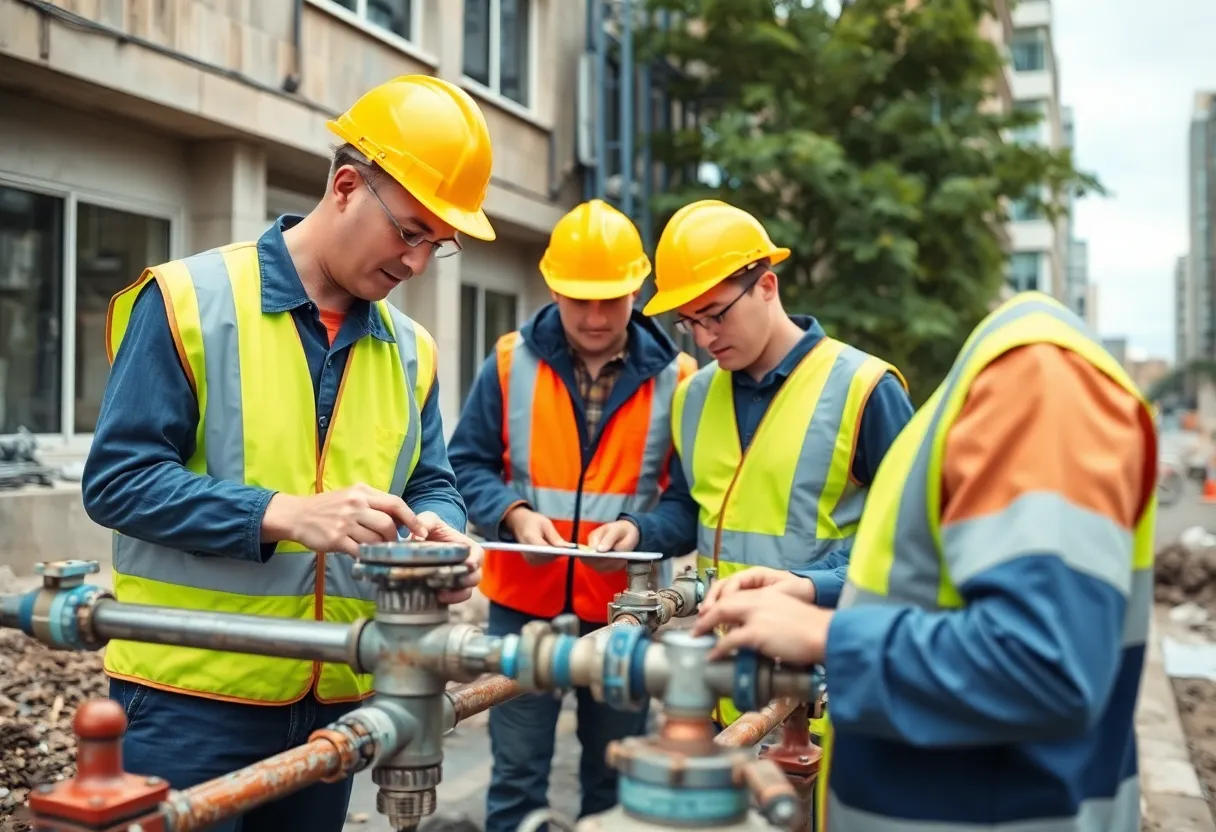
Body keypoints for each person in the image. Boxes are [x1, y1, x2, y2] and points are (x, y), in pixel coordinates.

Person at [80, 75, 493, 832]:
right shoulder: (187, 300)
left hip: (337, 693)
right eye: (409, 232)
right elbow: (119, 482)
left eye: (440, 244)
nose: (418, 264)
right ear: (344, 186)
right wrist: (282, 513)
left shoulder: (414, 351)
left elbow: (431, 480)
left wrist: (443, 530)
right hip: (187, 692)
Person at [694, 291, 1157, 832]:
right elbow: (926, 584)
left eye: (716, 314)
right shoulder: (978, 391)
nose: (703, 338)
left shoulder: (1037, 376)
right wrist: (810, 589)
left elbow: (1044, 663)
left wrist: (828, 636)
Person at [588, 199, 914, 727]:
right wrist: (637, 531)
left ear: (767, 286)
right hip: (726, 689)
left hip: (828, 692)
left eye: (715, 314)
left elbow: (912, 545)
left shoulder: (864, 389)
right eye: (688, 321)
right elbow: (690, 506)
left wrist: (811, 585)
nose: (704, 336)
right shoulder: (693, 396)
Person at [447, 198, 698, 832]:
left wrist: (642, 531)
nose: (594, 315)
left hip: (625, 612)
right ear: (553, 286)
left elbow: (689, 504)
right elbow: (466, 463)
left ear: (637, 289)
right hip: (521, 605)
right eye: (578, 298)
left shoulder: (683, 379)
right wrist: (513, 514)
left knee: (612, 777)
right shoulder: (508, 361)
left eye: (610, 299)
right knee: (517, 773)